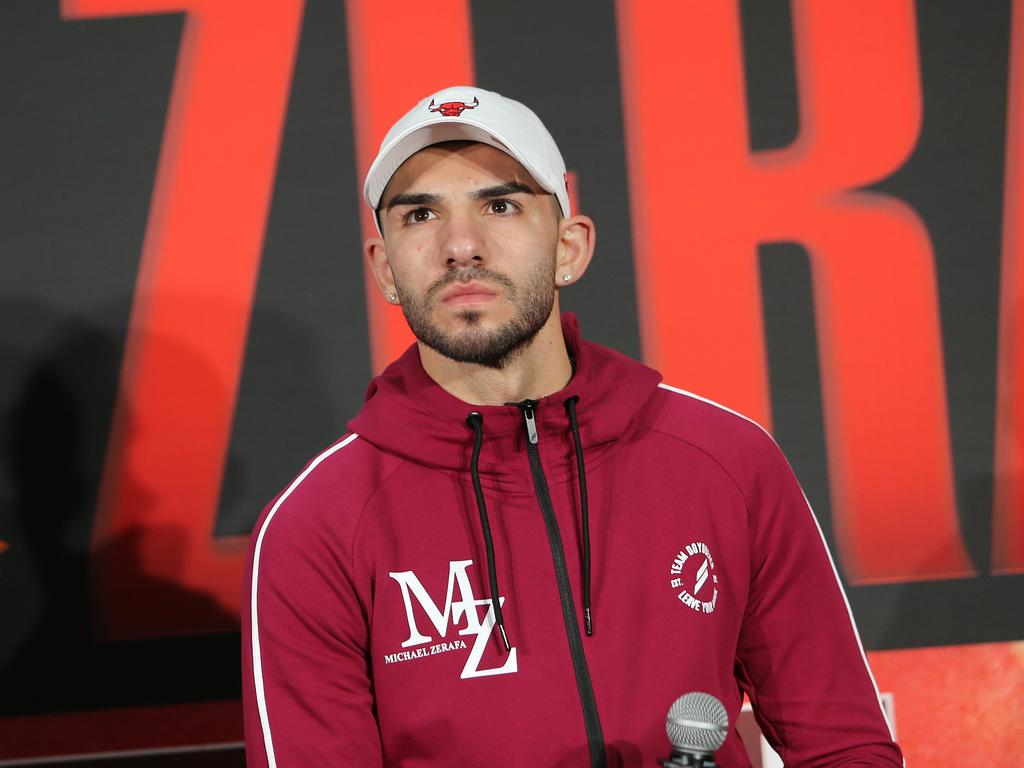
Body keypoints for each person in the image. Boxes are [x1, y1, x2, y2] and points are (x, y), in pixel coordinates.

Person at [241, 85, 903, 767]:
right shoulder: (315, 527)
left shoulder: (725, 459)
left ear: (570, 247)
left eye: (500, 205)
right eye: (419, 215)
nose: (460, 245)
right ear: (384, 268)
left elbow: (844, 745)